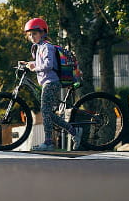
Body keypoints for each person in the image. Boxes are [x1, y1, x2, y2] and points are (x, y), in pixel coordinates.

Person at [19, 17, 83, 151]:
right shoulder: (39, 48)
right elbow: (40, 63)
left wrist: (34, 66)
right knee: (48, 113)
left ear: (43, 33)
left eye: (35, 34)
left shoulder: (47, 47)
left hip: (51, 82)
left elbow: (48, 65)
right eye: (30, 35)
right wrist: (27, 64)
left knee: (45, 112)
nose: (32, 37)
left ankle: (48, 143)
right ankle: (73, 131)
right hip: (47, 83)